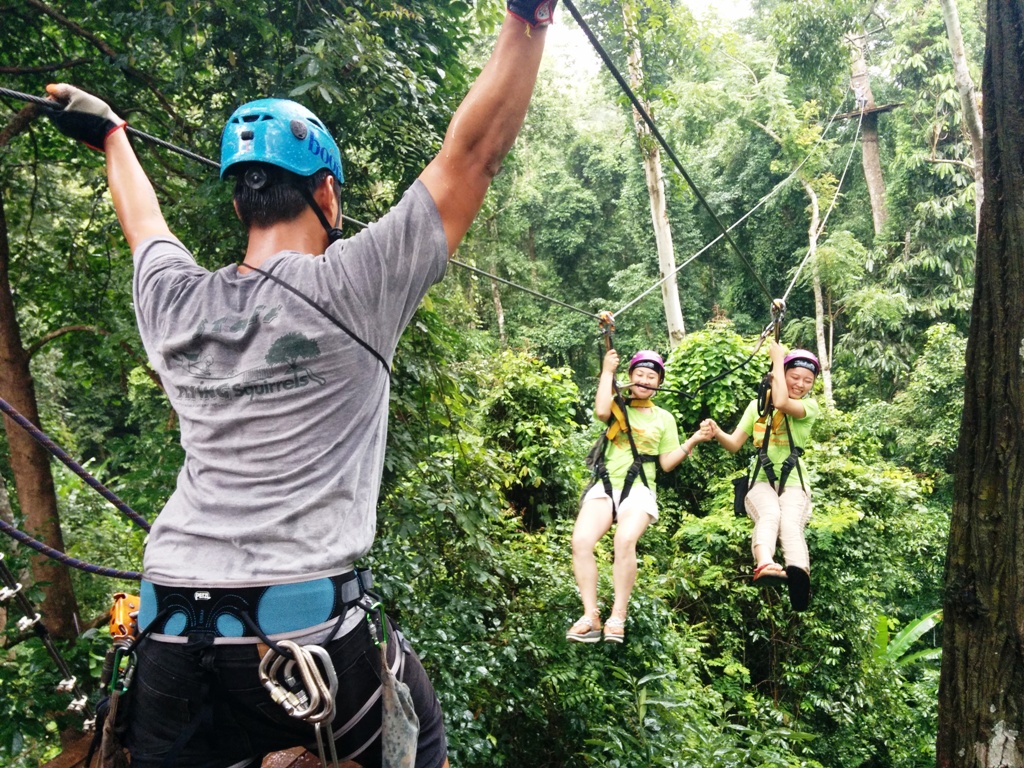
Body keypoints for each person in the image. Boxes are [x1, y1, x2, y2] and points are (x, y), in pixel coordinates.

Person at [43, 2, 555, 766]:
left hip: (169, 638)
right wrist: (527, 19)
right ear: (327, 193)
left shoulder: (176, 301)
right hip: (300, 647)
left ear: (240, 197)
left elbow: (144, 227)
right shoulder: (356, 285)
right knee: (423, 730)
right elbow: (473, 155)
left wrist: (111, 135)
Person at [567, 348, 712, 644]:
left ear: (658, 382)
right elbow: (600, 412)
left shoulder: (664, 418)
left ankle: (617, 615)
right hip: (606, 485)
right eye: (639, 375)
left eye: (651, 376)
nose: (645, 380)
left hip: (639, 489)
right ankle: (590, 615)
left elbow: (667, 463)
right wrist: (607, 370)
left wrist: (693, 440)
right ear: (630, 378)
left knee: (624, 540)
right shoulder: (618, 405)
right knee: (580, 542)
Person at [702, 340, 821, 611]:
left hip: (793, 482)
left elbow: (782, 401)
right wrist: (717, 431)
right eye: (794, 377)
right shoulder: (757, 408)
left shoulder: (809, 407)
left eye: (807, 380)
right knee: (770, 514)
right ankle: (765, 563)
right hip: (760, 480)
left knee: (790, 523)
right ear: (778, 376)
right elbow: (734, 444)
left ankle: (798, 574)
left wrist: (778, 360)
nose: (800, 384)